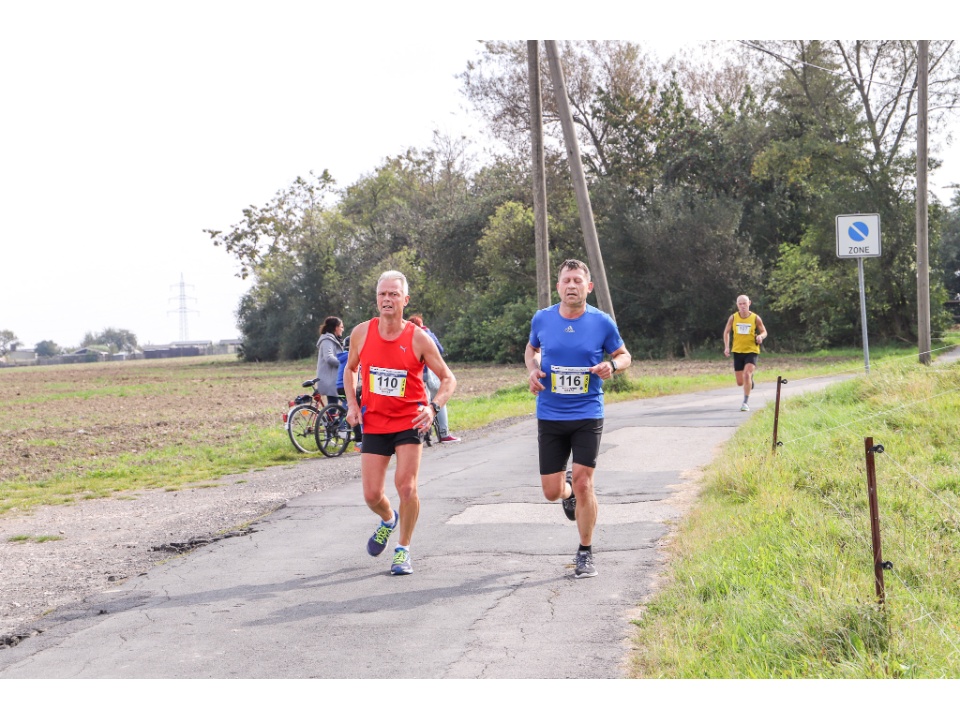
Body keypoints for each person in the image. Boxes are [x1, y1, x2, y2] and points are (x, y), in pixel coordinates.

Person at [344, 271, 457, 576]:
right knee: (371, 495)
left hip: (409, 421)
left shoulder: (418, 338)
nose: (387, 299)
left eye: (394, 294)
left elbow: (448, 378)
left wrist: (433, 408)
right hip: (375, 421)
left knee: (406, 487)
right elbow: (350, 369)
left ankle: (403, 549)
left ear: (405, 300)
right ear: (376, 299)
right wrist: (352, 404)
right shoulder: (362, 333)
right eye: (382, 294)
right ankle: (388, 519)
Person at [525, 259, 631, 579]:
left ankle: (585, 551)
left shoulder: (602, 322)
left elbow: (624, 355)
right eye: (566, 280)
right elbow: (532, 349)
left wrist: (613, 366)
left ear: (589, 287)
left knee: (586, 482)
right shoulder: (542, 318)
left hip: (588, 412)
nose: (572, 285)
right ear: (558, 286)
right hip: (550, 414)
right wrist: (533, 369)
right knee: (551, 491)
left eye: (577, 280)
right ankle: (567, 491)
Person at [408, 314, 460, 443]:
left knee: (420, 404)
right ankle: (443, 433)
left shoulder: (407, 336)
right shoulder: (426, 334)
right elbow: (440, 349)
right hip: (430, 374)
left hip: (416, 376)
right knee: (438, 401)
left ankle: (422, 433)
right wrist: (428, 331)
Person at [722, 294, 768, 412]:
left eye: (744, 303)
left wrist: (760, 337)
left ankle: (745, 402)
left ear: (749, 303)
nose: (742, 306)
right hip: (738, 351)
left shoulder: (755, 318)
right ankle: (749, 380)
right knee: (740, 382)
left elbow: (764, 331)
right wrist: (726, 347)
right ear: (737, 305)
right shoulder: (733, 317)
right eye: (740, 304)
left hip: (752, 350)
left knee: (746, 374)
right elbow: (726, 332)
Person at [335, 336, 362, 448]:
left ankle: (340, 422)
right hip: (348, 386)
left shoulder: (343, 356)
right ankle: (359, 439)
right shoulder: (352, 356)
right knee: (357, 409)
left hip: (339, 387)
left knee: (348, 407)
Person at [315, 316, 344, 406]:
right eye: (341, 327)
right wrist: (343, 364)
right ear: (336, 328)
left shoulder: (333, 340)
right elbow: (329, 358)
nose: (343, 329)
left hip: (333, 379)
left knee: (335, 406)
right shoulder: (327, 340)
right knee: (333, 406)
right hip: (330, 380)